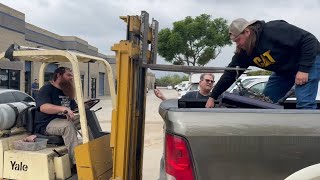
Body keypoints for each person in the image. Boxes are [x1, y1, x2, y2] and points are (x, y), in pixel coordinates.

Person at [206, 18, 320, 109]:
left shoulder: (273, 30)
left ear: (247, 32)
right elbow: (230, 74)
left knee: (304, 103)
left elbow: (309, 40)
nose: (237, 44)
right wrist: (213, 96)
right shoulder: (244, 53)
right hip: (284, 70)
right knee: (265, 102)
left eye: (238, 40)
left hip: (308, 60)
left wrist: (304, 69)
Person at [34, 67, 78, 168]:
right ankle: (76, 163)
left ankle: (93, 152)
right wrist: (63, 109)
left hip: (61, 121)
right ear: (59, 75)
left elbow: (74, 107)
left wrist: (84, 106)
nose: (71, 78)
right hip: (46, 124)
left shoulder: (66, 91)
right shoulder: (46, 89)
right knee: (68, 126)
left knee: (87, 119)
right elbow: (43, 107)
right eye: (68, 75)